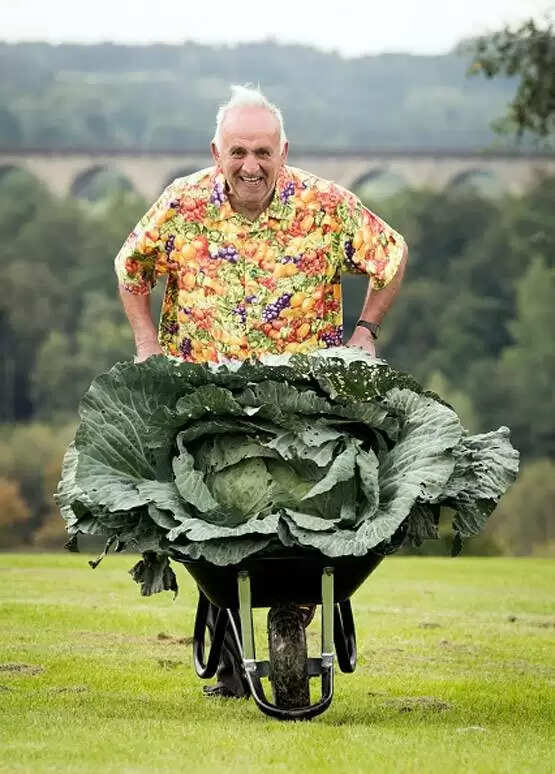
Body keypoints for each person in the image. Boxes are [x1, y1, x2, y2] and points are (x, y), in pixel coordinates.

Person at [114, 84, 408, 698]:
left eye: (264, 152)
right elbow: (130, 269)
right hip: (206, 404)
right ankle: (228, 631)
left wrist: (365, 330)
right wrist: (147, 346)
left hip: (302, 404)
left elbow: (391, 253)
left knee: (306, 519)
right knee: (209, 520)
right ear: (216, 151)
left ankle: (296, 611)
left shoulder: (324, 207)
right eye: (239, 151)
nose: (252, 166)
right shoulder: (182, 205)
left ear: (283, 151)